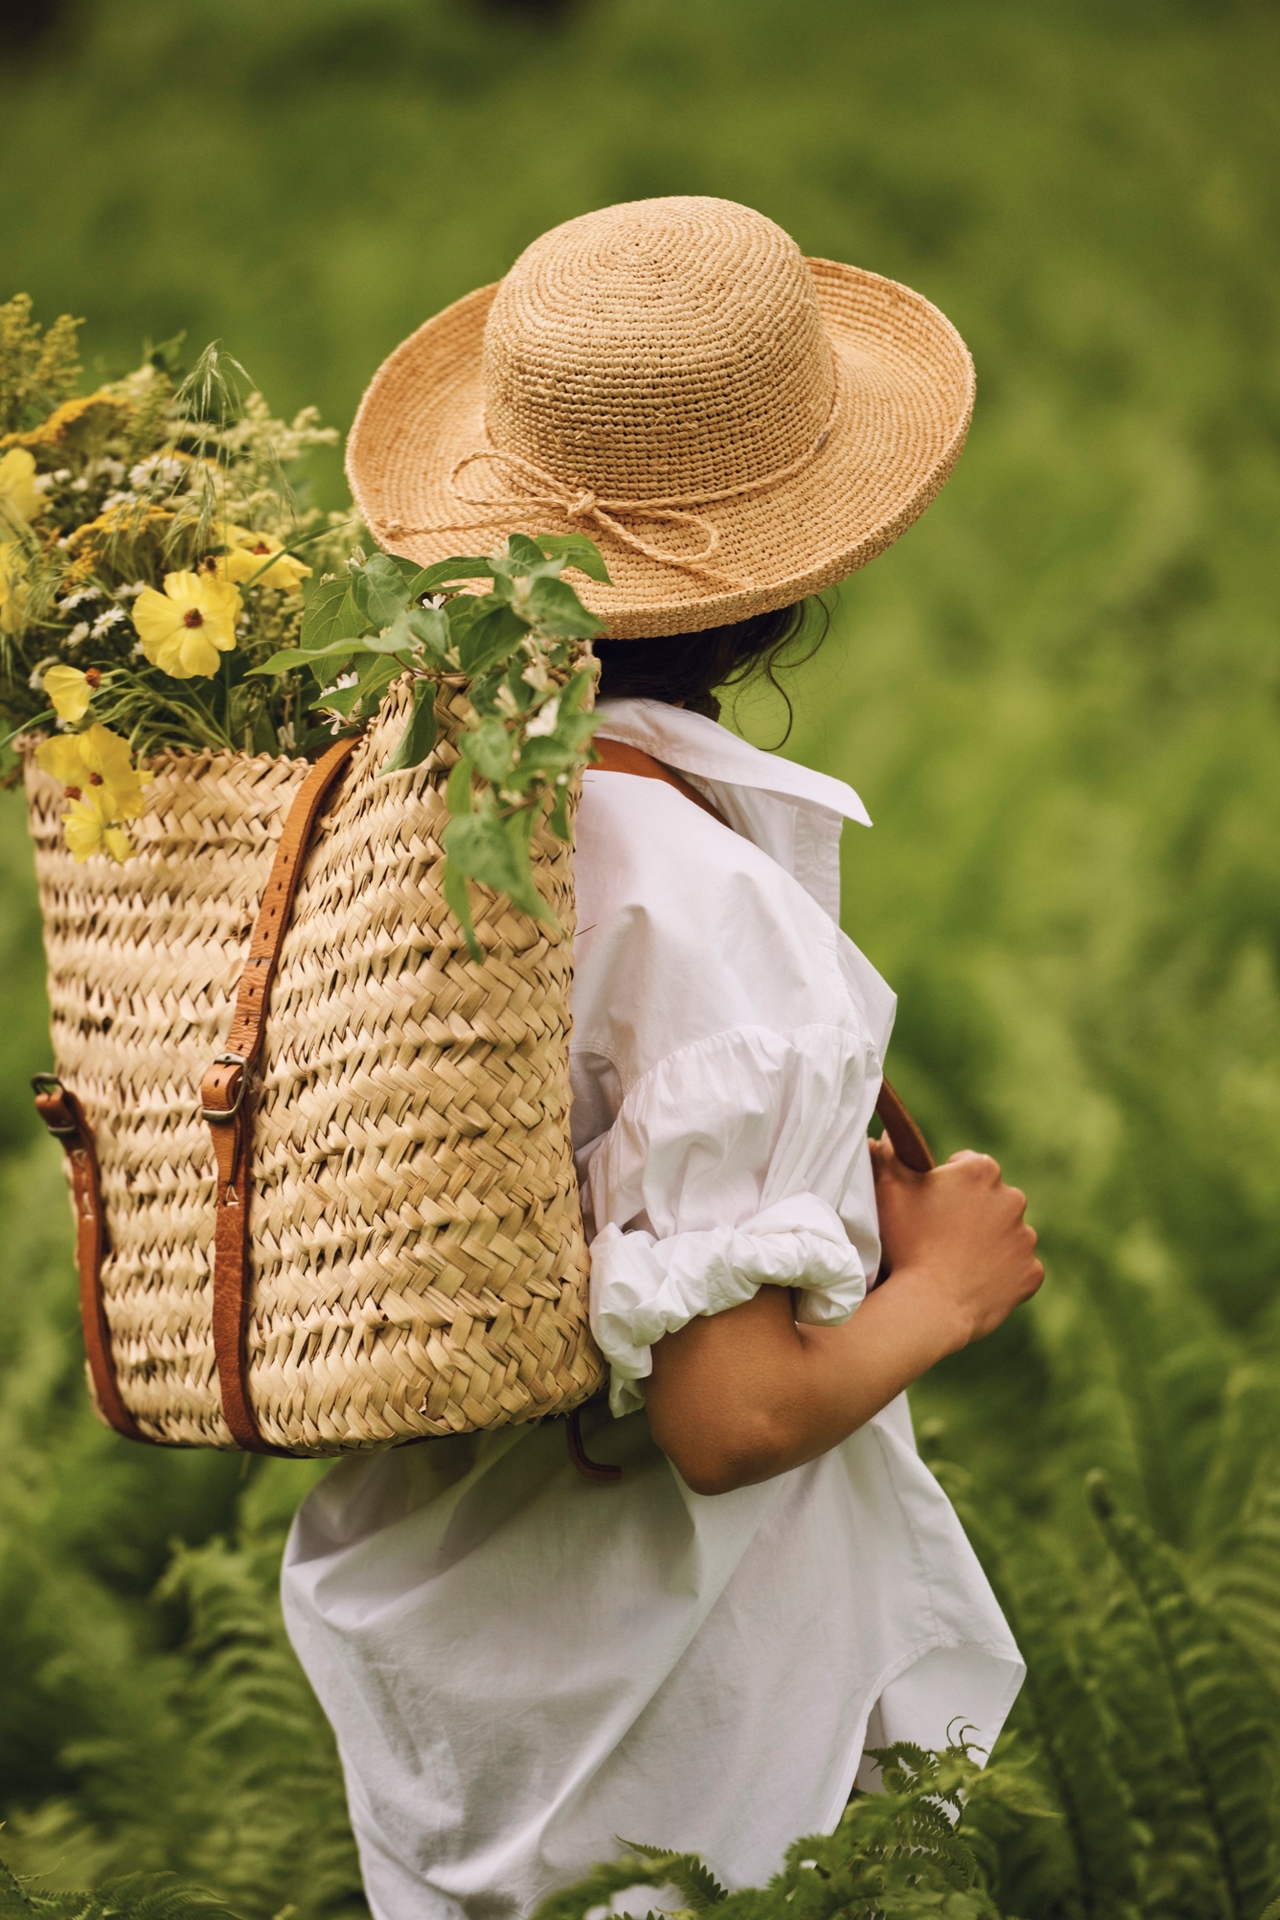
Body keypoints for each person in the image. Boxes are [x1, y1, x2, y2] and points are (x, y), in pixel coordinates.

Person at [282, 195, 1043, 1920]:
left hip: (447, 1666)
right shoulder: (697, 903)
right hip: (670, 1705)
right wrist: (948, 1290)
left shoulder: (410, 814)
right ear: (800, 575)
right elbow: (732, 1413)